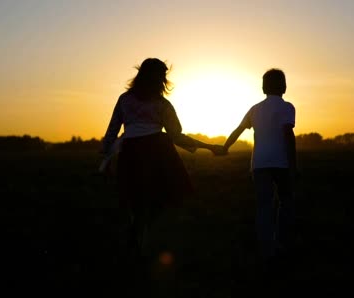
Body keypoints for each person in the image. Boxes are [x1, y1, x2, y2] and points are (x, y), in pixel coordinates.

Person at [101, 58, 223, 257]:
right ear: (159, 79)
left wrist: (105, 157)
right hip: (157, 154)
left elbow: (113, 130)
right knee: (161, 201)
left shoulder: (125, 99)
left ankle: (138, 240)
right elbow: (177, 137)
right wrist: (209, 147)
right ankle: (140, 240)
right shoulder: (162, 105)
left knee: (138, 202)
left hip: (131, 153)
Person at [222, 68, 297, 265]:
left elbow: (238, 130)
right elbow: (288, 135)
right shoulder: (288, 107)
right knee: (286, 203)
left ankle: (266, 250)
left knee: (264, 206)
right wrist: (293, 164)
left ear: (264, 87)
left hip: (260, 164)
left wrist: (224, 147)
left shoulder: (255, 109)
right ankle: (281, 243)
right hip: (281, 163)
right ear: (284, 86)